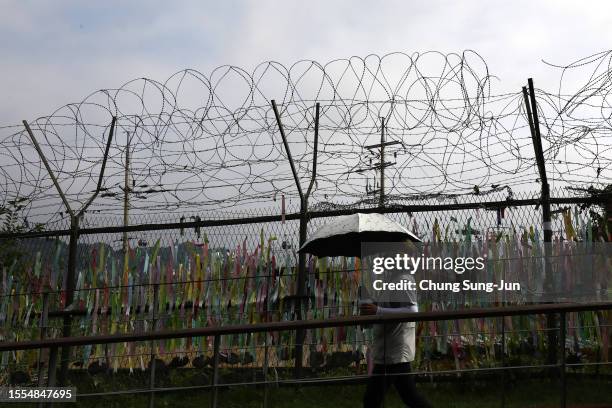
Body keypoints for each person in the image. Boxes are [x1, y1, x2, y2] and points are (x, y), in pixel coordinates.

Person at [360, 269, 431, 408]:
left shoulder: (403, 280)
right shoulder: (393, 280)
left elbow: (412, 311)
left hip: (394, 350)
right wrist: (374, 307)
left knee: (371, 399)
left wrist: (378, 310)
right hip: (391, 349)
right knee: (410, 396)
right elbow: (391, 307)